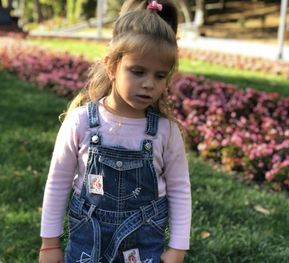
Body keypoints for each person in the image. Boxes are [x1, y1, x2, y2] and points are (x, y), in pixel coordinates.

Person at [38, 0, 191, 262]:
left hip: (142, 248)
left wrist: (178, 248)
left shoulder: (165, 132)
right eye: (138, 71)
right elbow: (58, 182)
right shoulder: (81, 122)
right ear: (112, 66)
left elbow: (179, 190)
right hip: (88, 244)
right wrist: (49, 244)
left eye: (159, 75)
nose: (148, 84)